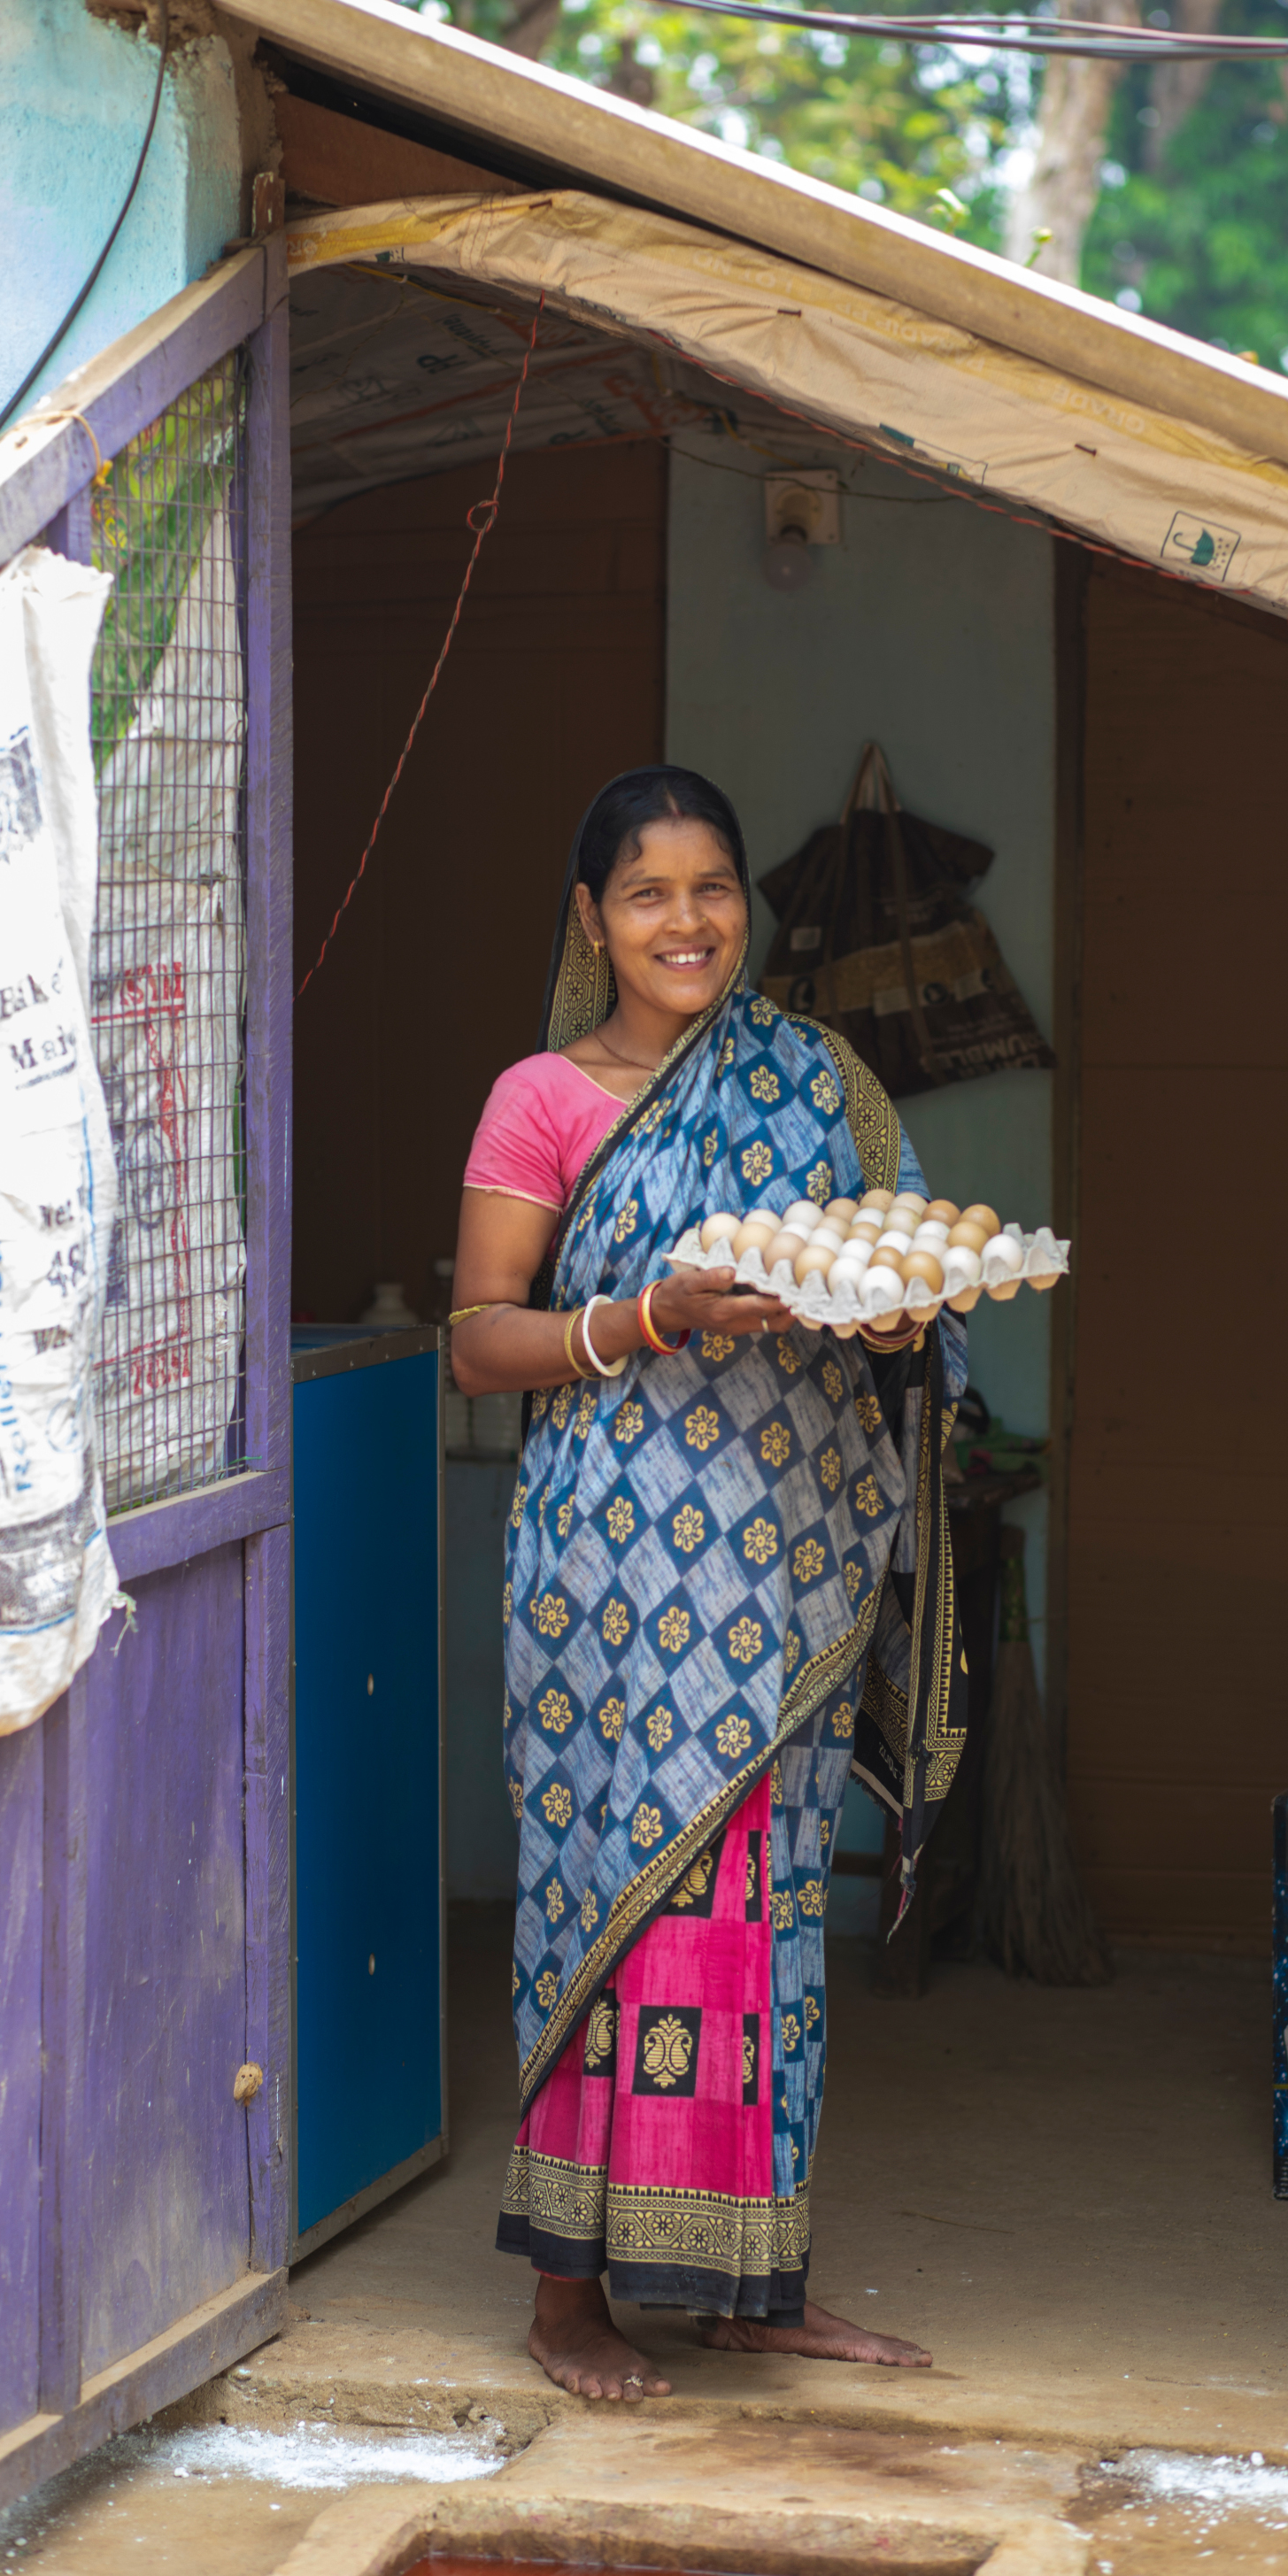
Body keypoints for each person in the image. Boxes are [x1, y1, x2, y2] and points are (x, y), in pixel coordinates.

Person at [449, 765, 968, 2402]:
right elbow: (478, 1344)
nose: (690, 921)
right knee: (621, 1902)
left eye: (716, 887)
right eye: (651, 892)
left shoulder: (819, 1081)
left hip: (795, 1562)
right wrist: (656, 1315)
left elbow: (900, 1285)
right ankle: (569, 2309)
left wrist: (896, 1318)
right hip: (614, 1573)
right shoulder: (545, 1096)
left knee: (765, 1920)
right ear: (593, 918)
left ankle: (756, 2286)